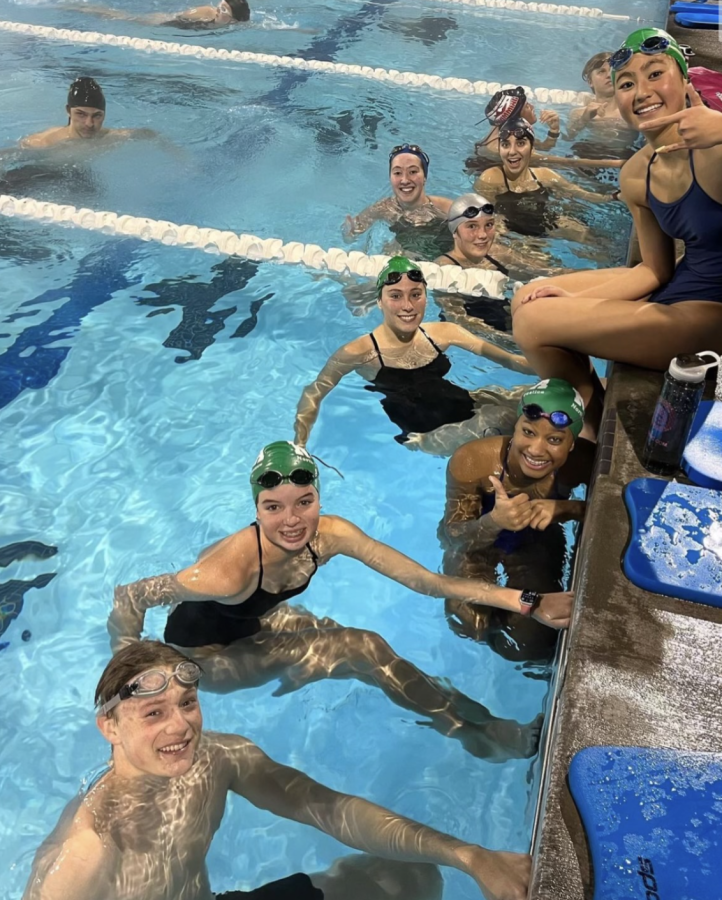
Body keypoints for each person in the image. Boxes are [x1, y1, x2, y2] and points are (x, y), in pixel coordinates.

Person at [109, 441, 573, 760]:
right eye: (273, 507)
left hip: (254, 625)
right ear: (256, 509)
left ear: (318, 498)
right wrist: (133, 684)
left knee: (346, 645)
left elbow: (426, 581)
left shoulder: (329, 536)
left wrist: (527, 601)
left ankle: (469, 719)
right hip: (205, 658)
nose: (292, 521)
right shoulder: (226, 572)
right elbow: (130, 595)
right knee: (359, 646)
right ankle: (478, 735)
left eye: (304, 502)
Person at [22, 640, 532, 900]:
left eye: (188, 703)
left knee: (410, 877)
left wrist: (470, 855)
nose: (180, 727)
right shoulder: (89, 847)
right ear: (109, 728)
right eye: (154, 714)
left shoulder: (218, 760)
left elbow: (328, 809)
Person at [510, 27, 722, 440]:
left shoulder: (715, 147)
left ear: (685, 80)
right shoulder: (636, 174)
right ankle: (595, 419)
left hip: (710, 316)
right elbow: (654, 271)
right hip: (680, 284)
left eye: (655, 74)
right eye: (627, 83)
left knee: (533, 323)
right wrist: (574, 300)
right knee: (528, 298)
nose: (642, 91)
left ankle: (584, 435)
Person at [295, 256, 534, 449]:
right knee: (504, 418)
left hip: (464, 405)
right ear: (380, 301)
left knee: (532, 398)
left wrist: (561, 366)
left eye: (415, 295)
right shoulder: (359, 352)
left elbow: (510, 360)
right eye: (395, 296)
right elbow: (314, 392)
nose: (407, 306)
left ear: (425, 298)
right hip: (425, 435)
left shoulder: (444, 332)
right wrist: (300, 443)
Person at [440, 379, 592, 662]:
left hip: (535, 542)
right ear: (516, 427)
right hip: (477, 547)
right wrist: (493, 521)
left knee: (531, 642)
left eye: (555, 440)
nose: (536, 449)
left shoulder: (582, 463)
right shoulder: (473, 461)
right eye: (528, 432)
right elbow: (452, 537)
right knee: (467, 623)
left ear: (572, 445)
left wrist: (565, 508)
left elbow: (613, 513)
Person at [475, 120, 617, 240]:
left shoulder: (545, 175)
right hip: (511, 232)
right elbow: (484, 218)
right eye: (506, 144)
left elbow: (584, 195)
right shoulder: (491, 178)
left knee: (590, 236)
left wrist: (615, 197)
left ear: (532, 148)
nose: (512, 151)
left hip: (545, 223)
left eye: (520, 143)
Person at [343, 144, 453, 260]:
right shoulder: (384, 208)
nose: (405, 180)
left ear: (424, 177)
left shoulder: (447, 210)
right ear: (390, 177)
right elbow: (351, 236)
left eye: (413, 172)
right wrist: (349, 232)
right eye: (397, 173)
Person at [434, 192, 555, 280]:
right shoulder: (444, 268)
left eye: (489, 225)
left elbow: (549, 272)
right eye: (472, 226)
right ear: (454, 232)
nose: (482, 235)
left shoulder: (496, 252)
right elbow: (454, 312)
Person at [19, 78, 157, 149]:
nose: (89, 124)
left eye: (97, 115)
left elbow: (149, 134)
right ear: (68, 111)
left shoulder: (112, 138)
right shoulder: (43, 142)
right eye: (81, 114)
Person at [566, 52, 639, 160]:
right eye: (601, 71)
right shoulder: (578, 113)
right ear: (590, 81)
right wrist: (585, 119)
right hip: (588, 154)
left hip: (625, 156)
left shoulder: (633, 110)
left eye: (612, 70)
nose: (609, 75)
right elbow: (569, 137)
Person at [61, 0, 250, 29]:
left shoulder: (238, 24)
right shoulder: (205, 13)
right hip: (169, 21)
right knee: (121, 17)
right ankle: (82, 7)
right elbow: (178, 18)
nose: (218, 9)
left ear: (233, 20)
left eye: (224, 9)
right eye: (220, 4)